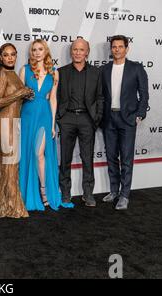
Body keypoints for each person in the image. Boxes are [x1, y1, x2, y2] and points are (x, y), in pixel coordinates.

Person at [19, 39, 73, 211]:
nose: (37, 52)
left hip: (44, 115)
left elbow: (54, 99)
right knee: (29, 154)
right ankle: (31, 194)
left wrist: (52, 125)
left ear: (46, 51)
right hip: (28, 115)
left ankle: (44, 191)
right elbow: (19, 97)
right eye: (34, 49)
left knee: (39, 153)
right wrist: (18, 121)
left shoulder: (54, 73)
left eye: (40, 49)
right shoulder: (25, 70)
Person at [101, 35, 149, 210]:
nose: (117, 49)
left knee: (126, 159)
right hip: (109, 119)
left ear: (127, 48)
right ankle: (114, 190)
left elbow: (144, 94)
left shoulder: (136, 68)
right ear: (111, 49)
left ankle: (124, 195)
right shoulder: (104, 70)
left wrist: (140, 114)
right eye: (114, 47)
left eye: (120, 46)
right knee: (111, 157)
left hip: (127, 119)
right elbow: (101, 96)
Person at [57, 38, 103, 207]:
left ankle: (88, 193)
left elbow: (100, 97)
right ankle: (66, 193)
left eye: (81, 49)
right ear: (71, 52)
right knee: (65, 158)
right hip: (67, 119)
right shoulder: (61, 72)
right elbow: (56, 97)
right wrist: (59, 118)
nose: (77, 52)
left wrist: (96, 118)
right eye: (75, 49)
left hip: (87, 119)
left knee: (87, 158)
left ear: (87, 52)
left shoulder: (96, 73)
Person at [0, 43, 33, 218]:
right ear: (0, 58)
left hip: (14, 122)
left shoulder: (13, 73)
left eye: (13, 55)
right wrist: (20, 92)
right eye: (6, 55)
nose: (10, 58)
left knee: (10, 165)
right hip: (5, 123)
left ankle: (4, 204)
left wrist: (25, 95)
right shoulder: (3, 73)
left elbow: (15, 99)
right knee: (9, 165)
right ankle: (12, 206)